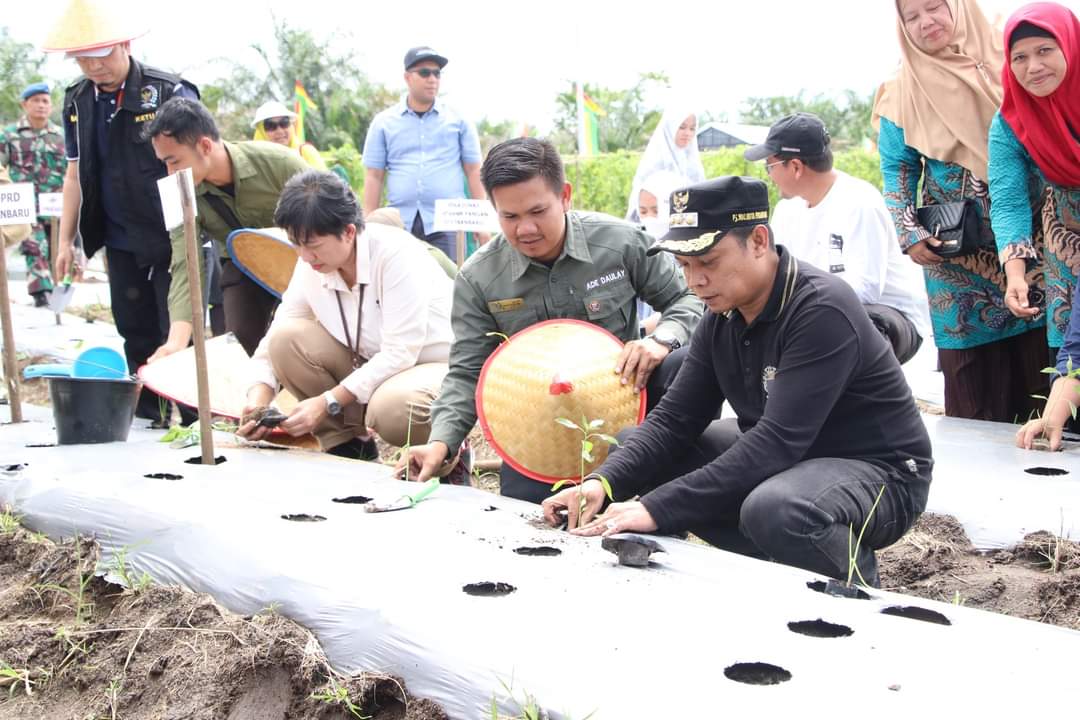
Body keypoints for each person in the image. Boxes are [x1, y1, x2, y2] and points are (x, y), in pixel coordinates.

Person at [542, 176, 933, 586]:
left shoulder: (821, 310)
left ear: (759, 241)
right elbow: (675, 419)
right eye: (684, 266)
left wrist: (655, 508)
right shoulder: (723, 314)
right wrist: (602, 483)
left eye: (708, 262)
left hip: (879, 472)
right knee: (636, 450)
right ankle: (772, 563)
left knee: (777, 510)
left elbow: (777, 441)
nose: (694, 281)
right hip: (793, 463)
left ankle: (853, 585)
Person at [399, 137, 704, 502]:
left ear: (565, 196)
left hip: (625, 399)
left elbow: (687, 298)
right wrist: (441, 442)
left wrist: (662, 340)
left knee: (684, 363)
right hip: (537, 426)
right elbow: (467, 371)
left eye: (537, 212)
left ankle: (676, 484)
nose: (525, 229)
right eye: (509, 217)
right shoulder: (479, 278)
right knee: (526, 522)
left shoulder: (621, 243)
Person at [873, 0, 1046, 422]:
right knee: (974, 391)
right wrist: (908, 231)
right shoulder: (902, 89)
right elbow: (897, 167)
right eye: (911, 16)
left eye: (934, 7)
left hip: (1035, 238)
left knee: (1045, 364)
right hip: (957, 257)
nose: (924, 22)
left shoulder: (1011, 62)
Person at [45, 1, 200, 424]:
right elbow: (74, 173)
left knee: (179, 326)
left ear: (125, 45)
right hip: (118, 234)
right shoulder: (77, 101)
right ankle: (151, 413)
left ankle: (193, 416)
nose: (96, 70)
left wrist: (193, 229)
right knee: (133, 325)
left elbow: (198, 160)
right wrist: (66, 241)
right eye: (85, 61)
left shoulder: (167, 91)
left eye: (103, 58)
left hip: (170, 232)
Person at [237, 170, 453, 460]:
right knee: (285, 340)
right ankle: (351, 447)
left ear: (349, 231)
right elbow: (279, 329)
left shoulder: (395, 255)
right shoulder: (311, 262)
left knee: (392, 408)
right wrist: (258, 401)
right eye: (296, 244)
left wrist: (327, 402)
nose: (304, 256)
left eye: (312, 245)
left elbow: (401, 353)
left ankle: (447, 453)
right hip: (372, 362)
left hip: (431, 364)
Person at [747, 112, 930, 364]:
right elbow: (774, 274)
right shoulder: (786, 210)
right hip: (815, 312)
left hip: (889, 317)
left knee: (833, 330)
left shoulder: (860, 202)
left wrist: (797, 307)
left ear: (797, 167)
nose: (769, 174)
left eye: (771, 166)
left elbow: (866, 290)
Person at [143, 97, 309, 359]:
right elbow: (185, 263)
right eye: (164, 162)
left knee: (302, 342)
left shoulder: (281, 163)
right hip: (241, 268)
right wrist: (176, 342)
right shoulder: (177, 191)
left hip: (305, 265)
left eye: (174, 161)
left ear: (205, 145)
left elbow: (332, 220)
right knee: (240, 346)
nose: (169, 171)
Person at [988, 2, 1080, 363]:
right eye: (1020, 57)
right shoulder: (1011, 122)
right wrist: (1016, 275)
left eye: (1045, 50)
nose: (1033, 67)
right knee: (1071, 359)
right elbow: (1009, 201)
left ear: (1070, 45)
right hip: (1065, 245)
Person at [362, 46, 487, 264]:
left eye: (437, 73)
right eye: (425, 73)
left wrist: (481, 222)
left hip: (447, 222)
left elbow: (474, 170)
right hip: (399, 222)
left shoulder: (458, 120)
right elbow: (374, 175)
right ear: (407, 77)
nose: (432, 79)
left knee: (448, 284)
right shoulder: (384, 122)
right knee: (402, 284)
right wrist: (368, 222)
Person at [0, 83, 66, 307]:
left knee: (55, 248)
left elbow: (72, 170)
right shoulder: (9, 136)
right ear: (24, 104)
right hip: (25, 204)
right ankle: (41, 293)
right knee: (35, 245)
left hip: (55, 205)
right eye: (35, 100)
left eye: (45, 101)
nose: (41, 106)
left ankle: (56, 294)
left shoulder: (61, 136)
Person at [626, 105, 705, 223]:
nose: (687, 133)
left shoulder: (692, 164)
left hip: (687, 228)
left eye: (692, 128)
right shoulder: (654, 162)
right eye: (682, 127)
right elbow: (641, 207)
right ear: (670, 128)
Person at [251, 100, 327, 170]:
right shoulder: (255, 163)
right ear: (261, 132)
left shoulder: (305, 152)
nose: (280, 131)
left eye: (284, 123)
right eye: (270, 126)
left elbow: (323, 181)